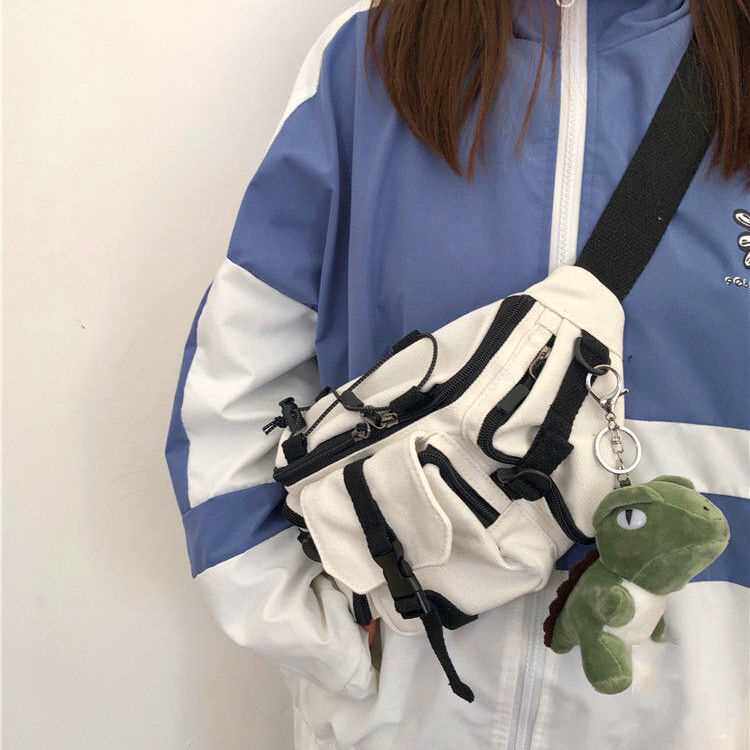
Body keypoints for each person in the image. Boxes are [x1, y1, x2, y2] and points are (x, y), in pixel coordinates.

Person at [165, 2, 749, 748]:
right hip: (414, 714)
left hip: (697, 715)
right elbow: (235, 379)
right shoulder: (371, 55)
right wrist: (325, 644)